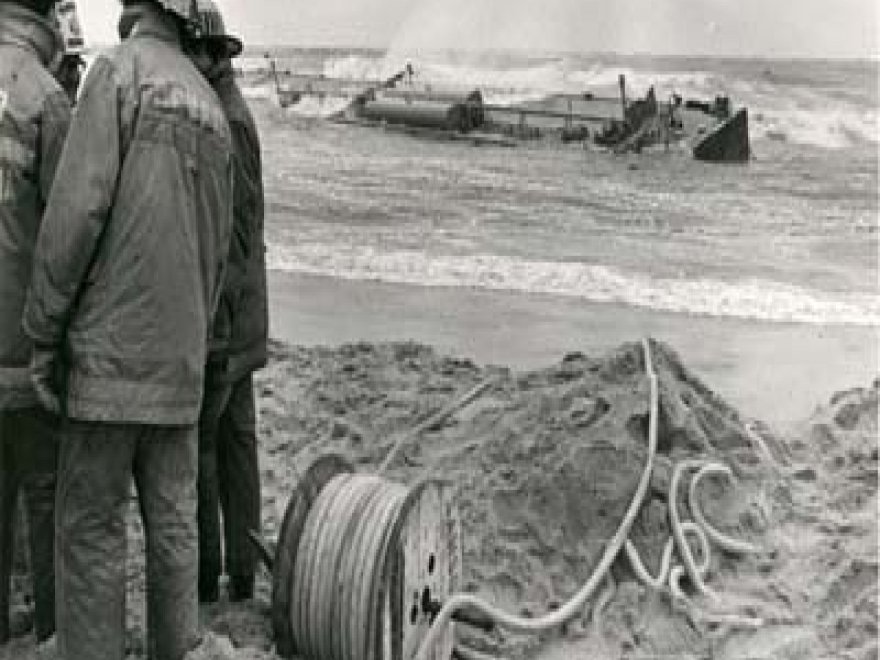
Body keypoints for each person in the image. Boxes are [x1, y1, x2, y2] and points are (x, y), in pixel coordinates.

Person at [22, 0, 233, 658]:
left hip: (110, 360)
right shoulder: (211, 108)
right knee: (173, 531)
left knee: (91, 530)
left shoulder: (117, 75)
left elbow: (75, 217)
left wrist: (43, 330)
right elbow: (217, 254)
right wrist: (194, 341)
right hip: (179, 365)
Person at [186, 0, 268, 604]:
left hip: (230, 314)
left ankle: (212, 575)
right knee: (236, 443)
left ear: (211, 54)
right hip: (242, 313)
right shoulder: (227, 110)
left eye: (192, 49)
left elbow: (236, 236)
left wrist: (215, 318)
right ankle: (239, 571)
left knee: (210, 448)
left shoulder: (227, 120)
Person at [0, 0, 71, 645]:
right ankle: (50, 633)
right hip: (22, 344)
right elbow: (65, 237)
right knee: (46, 493)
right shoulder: (46, 98)